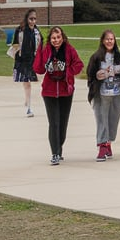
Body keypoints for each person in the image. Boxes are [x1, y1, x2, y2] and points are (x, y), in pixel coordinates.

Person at [32, 26, 83, 166]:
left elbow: (79, 65)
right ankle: (54, 153)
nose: (56, 40)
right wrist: (39, 50)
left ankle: (59, 148)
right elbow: (38, 69)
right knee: (54, 123)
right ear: (50, 39)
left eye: (58, 37)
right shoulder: (46, 50)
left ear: (63, 37)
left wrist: (68, 71)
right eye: (53, 38)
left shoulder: (69, 50)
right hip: (49, 91)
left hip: (66, 91)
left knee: (63, 124)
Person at [86, 29, 120, 162]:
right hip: (101, 94)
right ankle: (101, 146)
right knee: (101, 120)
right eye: (107, 39)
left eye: (111, 39)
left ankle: (108, 143)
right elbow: (90, 74)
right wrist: (97, 76)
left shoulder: (119, 57)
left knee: (113, 120)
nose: (109, 41)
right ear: (102, 41)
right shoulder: (96, 57)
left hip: (116, 93)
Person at [11, 9, 42, 117]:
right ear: (27, 18)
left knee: (28, 83)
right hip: (22, 60)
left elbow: (41, 45)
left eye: (35, 19)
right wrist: (17, 55)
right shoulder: (20, 30)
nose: (33, 21)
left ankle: (26, 100)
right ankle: (29, 107)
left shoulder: (37, 31)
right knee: (27, 84)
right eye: (31, 19)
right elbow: (15, 44)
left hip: (32, 61)